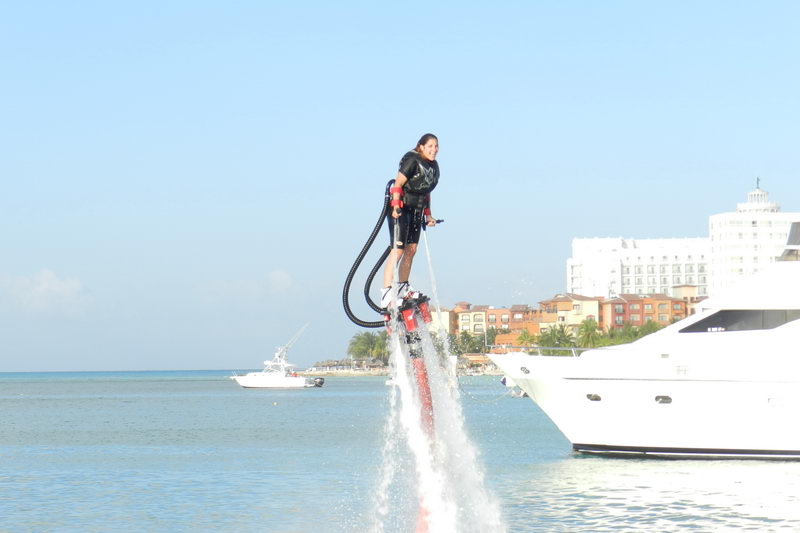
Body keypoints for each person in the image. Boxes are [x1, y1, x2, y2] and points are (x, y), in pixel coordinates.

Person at [381, 133, 440, 309]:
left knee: (411, 250)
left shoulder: (433, 166)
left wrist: (428, 215)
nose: (434, 150)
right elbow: (398, 184)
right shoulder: (412, 160)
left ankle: (403, 288)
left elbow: (425, 191)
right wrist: (396, 206)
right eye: (430, 146)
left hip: (416, 210)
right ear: (421, 146)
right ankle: (386, 293)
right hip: (400, 210)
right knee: (398, 250)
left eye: (436, 146)